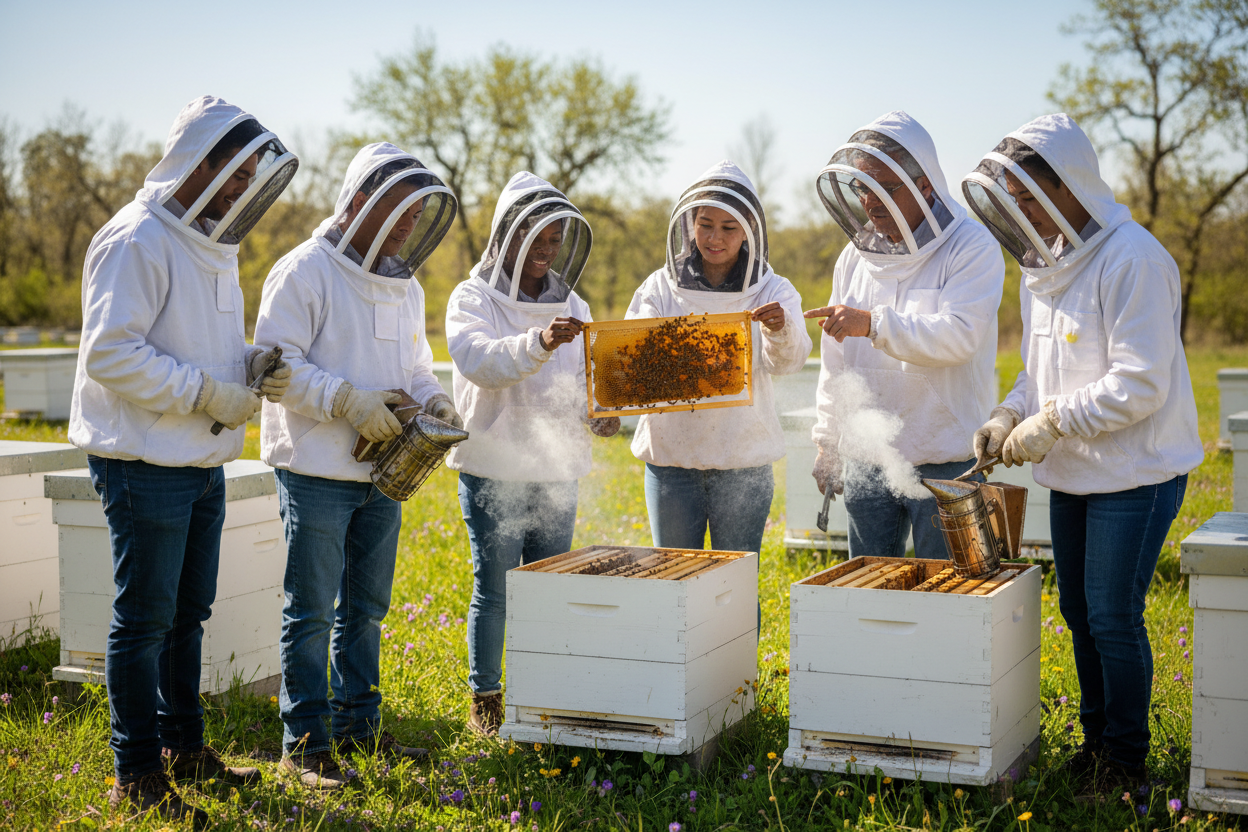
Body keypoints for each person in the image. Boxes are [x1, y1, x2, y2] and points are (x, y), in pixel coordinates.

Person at [71, 95, 298, 823]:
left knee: (186, 615)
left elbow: (188, 342)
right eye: (234, 174)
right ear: (201, 160)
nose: (241, 188)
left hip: (198, 461)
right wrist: (207, 392)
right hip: (143, 462)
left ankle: (185, 750)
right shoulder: (136, 238)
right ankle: (134, 775)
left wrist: (245, 362)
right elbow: (111, 353)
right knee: (144, 621)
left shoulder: (206, 243)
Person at [965, 114, 1202, 790]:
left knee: (1112, 615)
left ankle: (1126, 761)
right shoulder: (1042, 268)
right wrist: (1009, 411)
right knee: (1077, 612)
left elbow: (1141, 383)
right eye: (1015, 202)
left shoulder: (1135, 258)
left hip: (1136, 471)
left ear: (1071, 188)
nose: (1024, 213)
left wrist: (1051, 420)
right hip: (1071, 470)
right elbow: (1039, 371)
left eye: (1032, 198)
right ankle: (1095, 744)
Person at [254, 143, 460, 788]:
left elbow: (416, 365)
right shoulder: (303, 271)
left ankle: (358, 728)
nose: (407, 221)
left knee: (366, 609)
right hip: (315, 466)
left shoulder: (405, 282)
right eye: (397, 208)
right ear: (360, 200)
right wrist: (345, 400)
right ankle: (305, 743)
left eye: (417, 211)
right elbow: (273, 367)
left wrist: (433, 399)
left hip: (383, 471)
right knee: (312, 609)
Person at [445, 172, 619, 735]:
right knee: (495, 587)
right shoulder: (473, 298)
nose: (544, 250)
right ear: (504, 236)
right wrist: (540, 341)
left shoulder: (576, 303)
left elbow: (587, 385)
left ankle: (542, 689)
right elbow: (480, 362)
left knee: (548, 587)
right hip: (495, 467)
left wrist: (603, 413)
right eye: (533, 238)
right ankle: (486, 698)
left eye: (553, 239)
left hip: (556, 470)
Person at [805, 111, 1003, 559]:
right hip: (867, 456)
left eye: (884, 188)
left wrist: (873, 324)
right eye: (862, 187)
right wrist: (827, 441)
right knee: (870, 593)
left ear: (924, 184)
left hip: (947, 456)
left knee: (946, 591)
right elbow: (836, 363)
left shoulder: (971, 247)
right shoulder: (853, 258)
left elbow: (959, 336)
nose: (871, 201)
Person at [626, 161, 812, 555]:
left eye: (729, 228)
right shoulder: (659, 287)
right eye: (705, 224)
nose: (715, 237)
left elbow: (789, 363)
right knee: (676, 581)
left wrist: (780, 330)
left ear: (748, 230)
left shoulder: (773, 289)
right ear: (690, 223)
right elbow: (633, 358)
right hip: (671, 462)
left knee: (737, 587)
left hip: (743, 462)